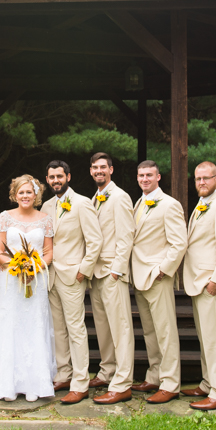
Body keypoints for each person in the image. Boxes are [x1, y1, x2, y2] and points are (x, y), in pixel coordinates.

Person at [0, 175, 56, 402]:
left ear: (36, 194)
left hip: (36, 281)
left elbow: (48, 252)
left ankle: (35, 385)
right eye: (21, 192)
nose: (25, 196)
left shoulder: (45, 220)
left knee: (35, 325)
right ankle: (8, 384)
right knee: (11, 325)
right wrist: (17, 267)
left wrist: (33, 269)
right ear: (14, 195)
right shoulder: (4, 218)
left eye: (29, 192)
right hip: (10, 281)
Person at [180, 162, 216, 411]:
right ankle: (209, 383)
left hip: (210, 281)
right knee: (206, 337)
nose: (201, 183)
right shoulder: (203, 203)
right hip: (199, 281)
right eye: (197, 179)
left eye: (206, 178)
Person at [41, 160, 102, 405]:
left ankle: (80, 382)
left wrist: (83, 270)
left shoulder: (82, 203)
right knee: (58, 329)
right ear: (47, 180)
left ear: (68, 176)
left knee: (76, 329)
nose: (56, 180)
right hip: (51, 276)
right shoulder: (45, 206)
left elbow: (95, 241)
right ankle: (63, 373)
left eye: (59, 176)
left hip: (72, 275)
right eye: (51, 177)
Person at [129, 160, 189, 404]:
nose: (145, 179)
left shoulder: (170, 205)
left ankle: (171, 383)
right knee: (150, 331)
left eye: (149, 175)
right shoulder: (138, 203)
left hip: (157, 276)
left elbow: (179, 243)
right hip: (138, 275)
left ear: (158, 177)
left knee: (166, 331)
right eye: (141, 175)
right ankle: (154, 375)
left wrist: (163, 270)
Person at [88, 153, 137, 406]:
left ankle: (122, 383)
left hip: (111, 271)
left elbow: (126, 235)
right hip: (95, 273)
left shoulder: (119, 197)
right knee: (104, 329)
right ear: (91, 171)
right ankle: (107, 371)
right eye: (95, 168)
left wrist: (117, 269)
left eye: (103, 168)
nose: (99, 171)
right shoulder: (95, 198)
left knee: (120, 328)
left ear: (111, 170)